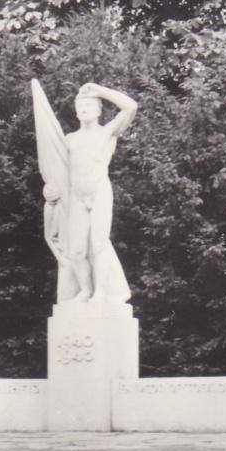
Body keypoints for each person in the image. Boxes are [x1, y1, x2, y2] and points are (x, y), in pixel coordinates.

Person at [63, 82, 137, 303]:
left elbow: (131, 106)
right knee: (76, 251)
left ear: (98, 110)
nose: (84, 108)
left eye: (89, 105)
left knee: (98, 244)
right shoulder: (69, 139)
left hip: (98, 191)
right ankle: (85, 289)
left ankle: (102, 292)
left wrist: (99, 91)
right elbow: (57, 169)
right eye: (80, 105)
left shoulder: (107, 133)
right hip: (76, 195)